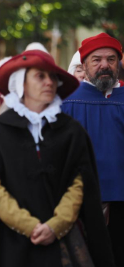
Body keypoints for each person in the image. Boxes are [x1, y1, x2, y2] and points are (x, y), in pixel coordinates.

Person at [0, 49, 115, 267]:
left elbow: (79, 184)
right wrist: (29, 225)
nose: (49, 82)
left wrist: (55, 225)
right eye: (40, 76)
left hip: (61, 240)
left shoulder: (70, 131)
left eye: (52, 77)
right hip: (11, 242)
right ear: (21, 84)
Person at [62, 33, 124, 266]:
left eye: (111, 59)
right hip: (80, 199)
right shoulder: (67, 101)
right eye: (96, 60)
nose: (104, 65)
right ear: (84, 64)